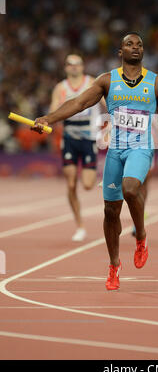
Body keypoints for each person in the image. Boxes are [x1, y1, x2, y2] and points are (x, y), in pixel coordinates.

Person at [33, 33, 158, 290]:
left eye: (139, 45)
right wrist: (49, 118)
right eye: (129, 44)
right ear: (120, 52)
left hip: (141, 148)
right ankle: (114, 266)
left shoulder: (157, 82)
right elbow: (78, 103)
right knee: (110, 212)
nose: (135, 47)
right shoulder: (107, 81)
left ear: (143, 52)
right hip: (116, 150)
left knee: (131, 188)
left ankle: (141, 236)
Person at [49, 54, 101, 242]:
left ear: (82, 66)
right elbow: (54, 109)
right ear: (65, 68)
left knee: (87, 185)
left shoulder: (91, 83)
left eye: (77, 64)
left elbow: (106, 103)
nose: (73, 67)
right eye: (70, 64)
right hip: (69, 137)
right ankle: (80, 225)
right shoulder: (61, 88)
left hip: (88, 139)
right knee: (71, 183)